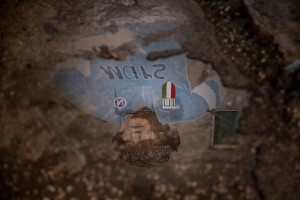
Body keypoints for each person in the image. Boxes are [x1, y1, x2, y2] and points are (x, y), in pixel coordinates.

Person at [53, 24, 225, 167]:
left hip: (110, 16)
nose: (136, 136)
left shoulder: (98, 105)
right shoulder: (184, 109)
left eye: (129, 142)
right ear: (166, 134)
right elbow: (223, 82)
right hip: (163, 15)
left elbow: (57, 64)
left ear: (120, 137)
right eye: (146, 142)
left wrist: (99, 43)